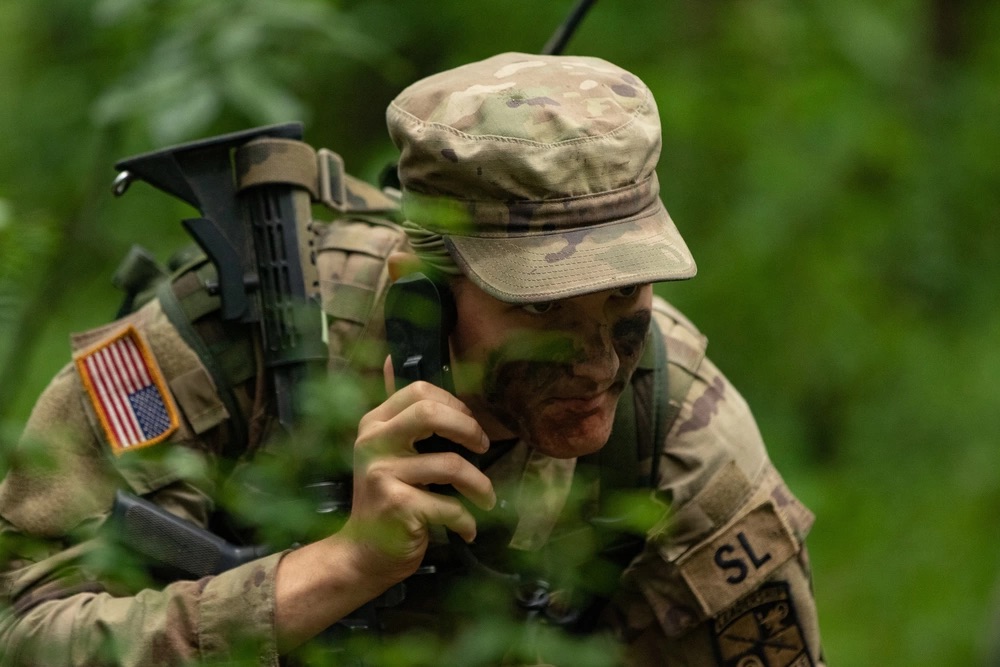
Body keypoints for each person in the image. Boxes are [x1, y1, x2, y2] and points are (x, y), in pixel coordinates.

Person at [0, 52, 824, 666]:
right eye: (542, 308)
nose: (597, 362)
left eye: (623, 300)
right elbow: (23, 634)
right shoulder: (224, 349)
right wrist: (333, 570)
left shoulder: (679, 428)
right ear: (419, 293)